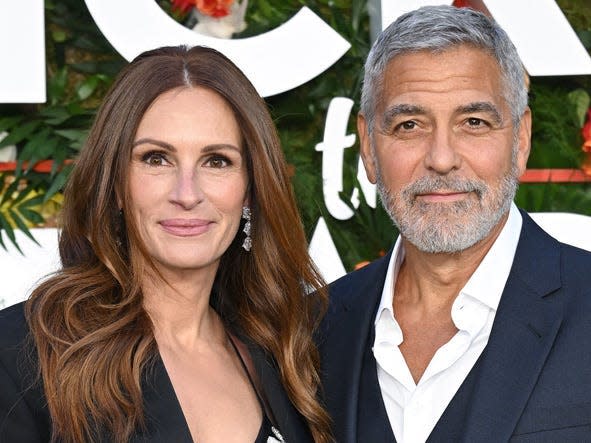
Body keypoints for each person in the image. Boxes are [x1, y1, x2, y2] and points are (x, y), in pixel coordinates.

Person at [0, 45, 332, 443]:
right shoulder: (23, 353)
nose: (187, 193)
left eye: (217, 161)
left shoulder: (285, 354)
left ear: (249, 190)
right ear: (116, 185)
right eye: (156, 158)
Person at [319, 5, 591, 443]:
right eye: (409, 125)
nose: (441, 158)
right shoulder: (314, 327)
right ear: (369, 147)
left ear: (520, 141)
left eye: (474, 122)